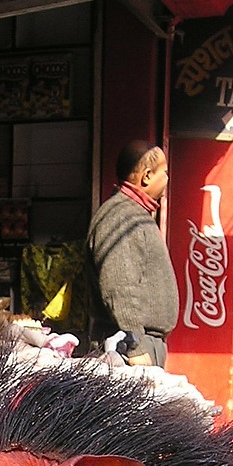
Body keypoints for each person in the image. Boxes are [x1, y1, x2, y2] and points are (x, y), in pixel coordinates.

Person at [82, 141, 179, 367]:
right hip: (125, 347)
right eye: (164, 172)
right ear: (146, 176)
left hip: (134, 342)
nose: (167, 178)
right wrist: (136, 347)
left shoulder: (132, 212)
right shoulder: (121, 216)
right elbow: (120, 285)